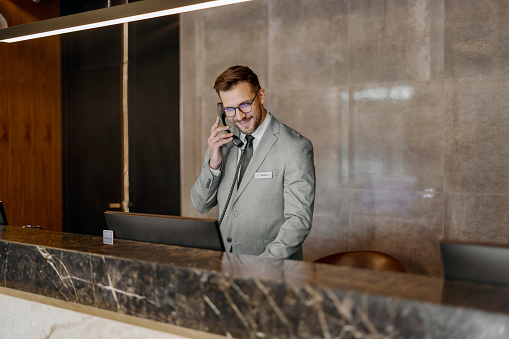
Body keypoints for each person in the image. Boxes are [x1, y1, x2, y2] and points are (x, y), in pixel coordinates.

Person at [191, 65, 315, 260]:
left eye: (245, 105)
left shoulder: (295, 147)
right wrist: (213, 165)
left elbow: (299, 221)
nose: (239, 116)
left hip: (272, 272)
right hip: (226, 267)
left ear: (262, 96)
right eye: (229, 109)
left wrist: (262, 265)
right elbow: (200, 205)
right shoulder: (222, 144)